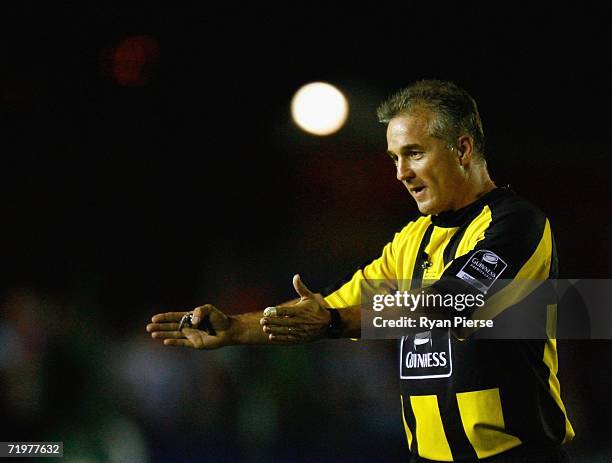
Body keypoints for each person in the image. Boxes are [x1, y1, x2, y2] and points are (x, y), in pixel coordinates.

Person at [146, 80, 574, 462]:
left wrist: (334, 321)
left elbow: (453, 302)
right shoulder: (412, 239)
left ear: (462, 148)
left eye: (414, 153)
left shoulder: (517, 224)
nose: (401, 173)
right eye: (394, 158)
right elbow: (331, 307)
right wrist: (236, 329)